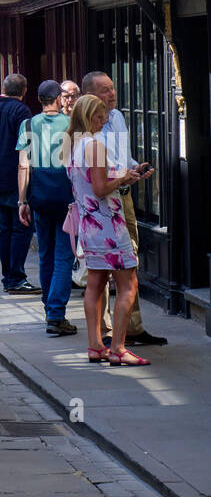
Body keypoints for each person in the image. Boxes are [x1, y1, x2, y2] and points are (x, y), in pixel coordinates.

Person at [81, 72, 167, 348]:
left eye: (113, 87)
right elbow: (93, 181)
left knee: (130, 266)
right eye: (105, 90)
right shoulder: (84, 134)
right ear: (91, 97)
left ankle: (132, 327)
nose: (113, 94)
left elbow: (122, 156)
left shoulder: (117, 117)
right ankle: (106, 332)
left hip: (123, 199)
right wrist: (121, 176)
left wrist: (135, 167)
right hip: (101, 207)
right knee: (103, 270)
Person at [65, 95, 152, 366]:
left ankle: (95, 346)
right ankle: (118, 347)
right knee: (129, 284)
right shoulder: (94, 146)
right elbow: (101, 189)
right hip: (109, 225)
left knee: (95, 284)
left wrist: (126, 173)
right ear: (88, 116)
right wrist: (125, 178)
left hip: (89, 225)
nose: (103, 123)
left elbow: (90, 185)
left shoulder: (72, 145)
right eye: (100, 118)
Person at [17, 81, 76, 337]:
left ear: (39, 99)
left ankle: (48, 306)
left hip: (39, 196)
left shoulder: (28, 124)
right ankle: (56, 313)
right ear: (59, 98)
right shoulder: (71, 124)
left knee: (45, 254)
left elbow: (23, 165)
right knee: (64, 254)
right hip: (65, 196)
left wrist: (22, 200)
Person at [0, 74, 40, 295]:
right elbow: (28, 147)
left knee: (5, 229)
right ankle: (15, 277)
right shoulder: (22, 112)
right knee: (22, 226)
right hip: (18, 177)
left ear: (4, 88)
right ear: (23, 91)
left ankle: (8, 276)